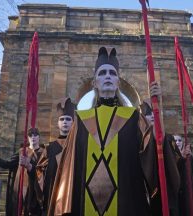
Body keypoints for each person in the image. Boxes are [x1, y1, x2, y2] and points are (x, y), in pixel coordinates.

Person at [47, 47, 169, 216]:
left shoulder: (133, 117)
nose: (107, 76)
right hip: (85, 202)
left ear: (118, 82)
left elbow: (152, 150)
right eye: (102, 73)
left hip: (126, 201)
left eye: (112, 73)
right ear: (95, 82)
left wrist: (158, 108)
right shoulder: (81, 119)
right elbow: (69, 167)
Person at [0, 128, 44, 216]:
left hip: (37, 189)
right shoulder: (22, 151)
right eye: (30, 135)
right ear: (28, 138)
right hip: (22, 188)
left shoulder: (44, 152)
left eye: (35, 135)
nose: (33, 137)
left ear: (39, 137)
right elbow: (9, 164)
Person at [139, 99, 181, 216]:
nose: (152, 116)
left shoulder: (168, 138)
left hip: (166, 186)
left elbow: (176, 159)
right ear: (143, 117)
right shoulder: (138, 138)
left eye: (154, 112)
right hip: (147, 187)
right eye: (148, 113)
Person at [36, 97, 76, 215]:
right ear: (58, 123)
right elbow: (39, 171)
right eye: (62, 119)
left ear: (73, 122)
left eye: (68, 119)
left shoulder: (78, 146)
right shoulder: (49, 148)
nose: (65, 122)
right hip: (52, 195)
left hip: (73, 196)